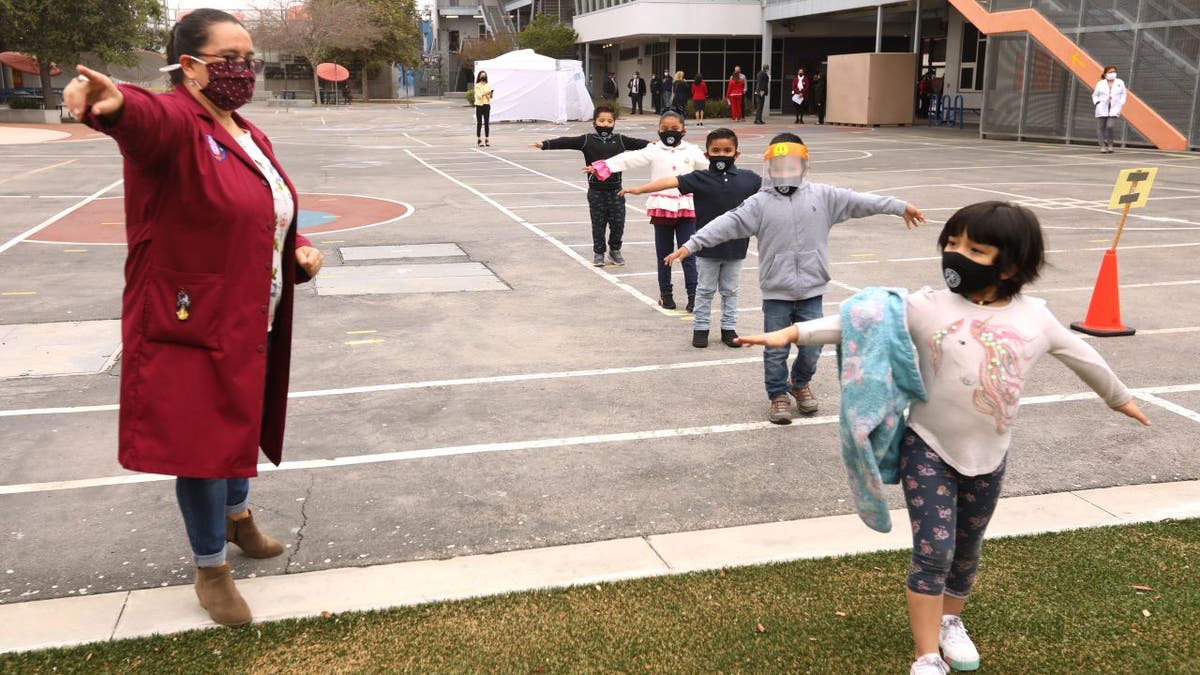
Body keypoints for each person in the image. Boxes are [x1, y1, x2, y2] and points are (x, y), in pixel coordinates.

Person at [737, 201, 1149, 675]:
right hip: (927, 445)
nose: (956, 254)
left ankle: (951, 622)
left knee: (967, 550)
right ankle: (926, 654)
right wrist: (789, 333)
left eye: (974, 248)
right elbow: (858, 322)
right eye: (952, 243)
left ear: (1011, 264)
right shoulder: (927, 305)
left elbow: (1085, 357)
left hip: (990, 456)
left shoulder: (1037, 317)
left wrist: (1119, 398)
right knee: (934, 550)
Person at [62, 8, 324, 627]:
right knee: (203, 445)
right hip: (191, 318)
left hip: (249, 310)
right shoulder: (176, 119)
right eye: (229, 59)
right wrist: (115, 101)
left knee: (240, 419)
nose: (243, 69)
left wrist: (296, 251)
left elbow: (267, 206)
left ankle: (237, 520)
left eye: (249, 58)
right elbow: (143, 121)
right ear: (189, 66)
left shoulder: (246, 130)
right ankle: (211, 569)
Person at [663, 133, 925, 423]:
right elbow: (727, 223)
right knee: (776, 350)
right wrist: (691, 244)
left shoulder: (824, 197)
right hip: (776, 292)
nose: (784, 172)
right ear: (770, 168)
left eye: (791, 166)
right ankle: (777, 395)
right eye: (778, 166)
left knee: (813, 347)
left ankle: (799, 383)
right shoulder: (759, 203)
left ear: (803, 166)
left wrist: (900, 206)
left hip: (813, 289)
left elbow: (861, 201)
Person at [621, 127, 760, 347]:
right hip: (706, 249)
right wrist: (640, 189)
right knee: (704, 290)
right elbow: (669, 182)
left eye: (727, 150)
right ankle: (701, 328)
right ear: (706, 155)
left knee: (730, 291)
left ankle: (728, 328)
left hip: (736, 248)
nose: (721, 155)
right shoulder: (700, 177)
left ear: (736, 154)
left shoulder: (749, 179)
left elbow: (771, 194)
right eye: (716, 150)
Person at [587, 110, 708, 311]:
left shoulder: (692, 150)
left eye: (675, 129)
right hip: (661, 207)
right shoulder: (653, 150)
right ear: (659, 130)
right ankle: (665, 293)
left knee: (688, 253)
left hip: (686, 208)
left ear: (683, 131)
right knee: (664, 253)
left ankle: (693, 295)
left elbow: (709, 168)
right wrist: (604, 166)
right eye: (665, 129)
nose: (670, 132)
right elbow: (629, 159)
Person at [532, 104, 650, 266]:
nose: (606, 124)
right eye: (602, 121)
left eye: (609, 121)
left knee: (618, 223)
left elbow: (643, 145)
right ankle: (599, 253)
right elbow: (567, 141)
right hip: (596, 192)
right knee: (598, 224)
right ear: (594, 123)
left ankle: (615, 250)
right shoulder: (587, 140)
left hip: (616, 191)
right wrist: (545, 144)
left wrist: (664, 145)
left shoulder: (620, 140)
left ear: (614, 123)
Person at [1092, 65, 1127, 153]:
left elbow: (1124, 94)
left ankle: (1110, 145)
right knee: (1101, 127)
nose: (1112, 73)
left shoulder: (1120, 82)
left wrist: (1121, 102)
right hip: (1102, 107)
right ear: (1105, 73)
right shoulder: (1100, 83)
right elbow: (1095, 95)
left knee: (1110, 126)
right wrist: (1097, 103)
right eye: (1110, 72)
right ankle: (1102, 146)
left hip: (1114, 107)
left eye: (1114, 72)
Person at [474, 70, 493, 147]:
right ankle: (479, 139)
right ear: (479, 77)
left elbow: (490, 96)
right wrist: (486, 93)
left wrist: (490, 94)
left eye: (484, 75)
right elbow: (479, 95)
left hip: (486, 105)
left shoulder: (488, 85)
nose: (483, 77)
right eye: (482, 75)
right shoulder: (477, 85)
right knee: (479, 123)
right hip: (479, 105)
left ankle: (487, 139)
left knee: (486, 123)